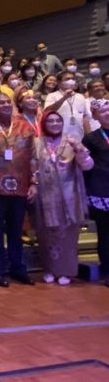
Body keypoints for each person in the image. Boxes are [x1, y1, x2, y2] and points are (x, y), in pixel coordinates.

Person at [0, 93, 38, 287]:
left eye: (8, 102)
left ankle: (18, 268)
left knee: (16, 231)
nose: (6, 105)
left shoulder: (24, 126)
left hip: (20, 185)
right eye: (1, 103)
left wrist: (33, 182)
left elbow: (32, 156)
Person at [32, 110, 93, 285]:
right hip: (46, 196)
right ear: (44, 123)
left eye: (58, 121)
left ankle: (67, 271)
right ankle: (50, 269)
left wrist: (79, 150)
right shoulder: (37, 142)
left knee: (67, 237)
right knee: (46, 235)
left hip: (69, 195)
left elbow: (88, 165)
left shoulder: (71, 142)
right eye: (50, 121)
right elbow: (33, 165)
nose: (54, 124)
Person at [83, 99, 109, 287]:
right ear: (96, 116)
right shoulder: (91, 138)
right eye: (104, 111)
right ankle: (107, 269)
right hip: (101, 190)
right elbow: (86, 166)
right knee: (105, 233)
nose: (108, 113)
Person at [44, 71, 90, 140]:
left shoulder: (80, 96)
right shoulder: (52, 96)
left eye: (72, 79)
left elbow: (84, 117)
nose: (70, 81)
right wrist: (64, 98)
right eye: (67, 79)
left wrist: (90, 136)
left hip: (79, 137)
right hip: (60, 138)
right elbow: (47, 112)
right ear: (59, 82)